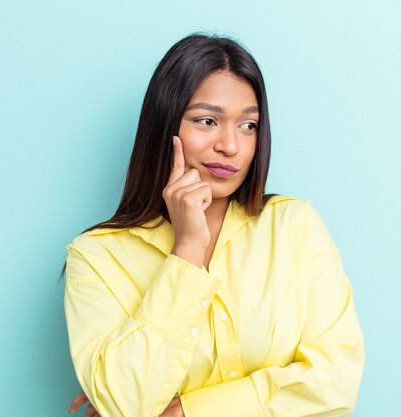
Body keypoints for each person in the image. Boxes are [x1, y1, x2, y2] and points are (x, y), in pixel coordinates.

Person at [60, 32, 365, 417]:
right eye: (207, 120)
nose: (231, 146)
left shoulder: (293, 226)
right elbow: (123, 405)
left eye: (248, 126)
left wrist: (188, 411)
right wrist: (186, 252)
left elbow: (336, 383)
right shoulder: (98, 257)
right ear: (164, 125)